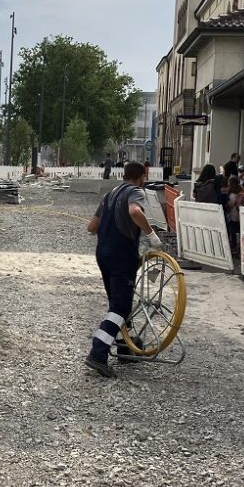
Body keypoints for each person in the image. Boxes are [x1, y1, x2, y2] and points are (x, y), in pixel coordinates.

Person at [84, 161, 162, 378]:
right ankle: (98, 353)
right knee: (121, 307)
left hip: (103, 254)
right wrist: (151, 235)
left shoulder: (109, 195)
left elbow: (92, 227)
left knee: (117, 303)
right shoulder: (136, 192)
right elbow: (135, 212)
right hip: (122, 256)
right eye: (145, 177)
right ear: (141, 177)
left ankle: (124, 348)